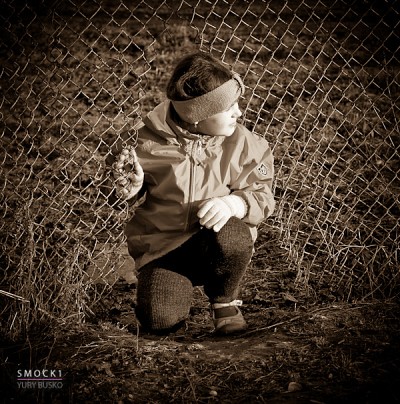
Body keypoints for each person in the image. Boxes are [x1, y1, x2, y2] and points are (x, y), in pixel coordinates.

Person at [105, 52, 275, 335]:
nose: (239, 113)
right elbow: (111, 195)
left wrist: (234, 203)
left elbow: (263, 195)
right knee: (160, 322)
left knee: (233, 235)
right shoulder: (142, 141)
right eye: (229, 107)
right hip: (164, 249)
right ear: (198, 116)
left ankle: (224, 300)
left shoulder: (244, 143)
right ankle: (169, 291)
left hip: (214, 241)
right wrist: (129, 189)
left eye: (237, 104)